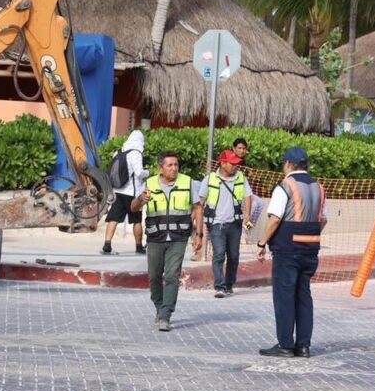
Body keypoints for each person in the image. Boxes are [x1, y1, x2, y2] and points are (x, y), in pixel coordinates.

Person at [257, 146, 327, 358]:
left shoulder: (285, 186)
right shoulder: (319, 187)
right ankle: (303, 345)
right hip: (310, 249)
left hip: (287, 250)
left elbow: (275, 218)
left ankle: (285, 344)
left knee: (285, 297)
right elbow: (323, 219)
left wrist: (261, 243)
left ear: (288, 164)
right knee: (304, 296)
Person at [132, 151, 202, 332]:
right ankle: (159, 306)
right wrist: (141, 199)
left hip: (179, 238)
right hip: (156, 237)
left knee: (172, 275)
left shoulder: (188, 183)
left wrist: (199, 234)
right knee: (154, 276)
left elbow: (197, 207)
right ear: (160, 168)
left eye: (176, 165)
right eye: (170, 165)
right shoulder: (149, 184)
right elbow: (133, 207)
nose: (174, 168)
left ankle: (165, 315)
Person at [197, 149, 254, 298]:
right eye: (232, 163)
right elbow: (201, 201)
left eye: (237, 164)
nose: (235, 166)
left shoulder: (241, 178)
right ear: (222, 163)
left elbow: (248, 196)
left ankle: (229, 284)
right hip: (216, 224)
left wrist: (247, 215)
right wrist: (197, 222)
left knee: (234, 256)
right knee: (219, 254)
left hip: (235, 223)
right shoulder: (209, 179)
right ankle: (219, 286)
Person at [102, 130, 150, 254]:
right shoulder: (136, 153)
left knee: (113, 219)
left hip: (118, 191)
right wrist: (148, 172)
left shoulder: (118, 152)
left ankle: (107, 245)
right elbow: (139, 173)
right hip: (132, 194)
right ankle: (139, 247)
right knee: (136, 220)